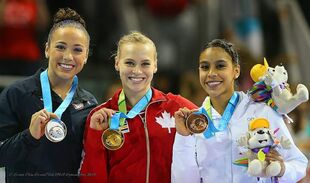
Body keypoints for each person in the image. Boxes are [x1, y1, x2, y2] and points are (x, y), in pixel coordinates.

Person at [171, 39, 308, 183]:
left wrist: (282, 169)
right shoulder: (195, 123)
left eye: (220, 66)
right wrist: (183, 137)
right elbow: (184, 180)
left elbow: (298, 164)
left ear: (236, 71)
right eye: (205, 67)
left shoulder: (263, 111)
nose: (211, 73)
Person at [79, 31, 197, 183]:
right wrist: (96, 136)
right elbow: (92, 177)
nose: (137, 71)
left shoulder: (176, 107)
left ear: (155, 66)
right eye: (129, 63)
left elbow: (212, 138)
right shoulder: (101, 117)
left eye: (145, 63)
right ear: (117, 63)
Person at [0, 8, 97, 183]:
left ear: (86, 57)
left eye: (77, 50)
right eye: (60, 47)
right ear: (47, 49)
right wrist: (29, 136)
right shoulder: (16, 94)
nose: (68, 56)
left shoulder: (90, 104)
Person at [0, 0, 50, 76]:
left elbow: (43, 25)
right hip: (5, 55)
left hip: (28, 56)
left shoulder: (32, 2)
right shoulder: (5, 3)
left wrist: (39, 3)